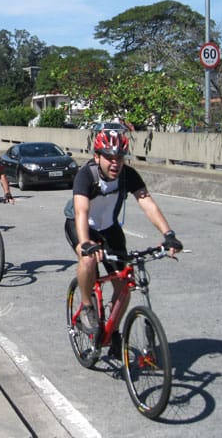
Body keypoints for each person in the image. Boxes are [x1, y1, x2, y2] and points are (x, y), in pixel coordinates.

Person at [65, 128, 182, 356]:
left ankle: (114, 331)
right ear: (97, 156)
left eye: (119, 157)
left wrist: (168, 234)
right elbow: (81, 211)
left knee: (124, 285)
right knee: (88, 260)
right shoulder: (86, 175)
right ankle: (87, 306)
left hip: (110, 229)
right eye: (109, 157)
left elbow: (146, 202)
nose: (115, 163)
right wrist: (86, 243)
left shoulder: (128, 175)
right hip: (81, 225)